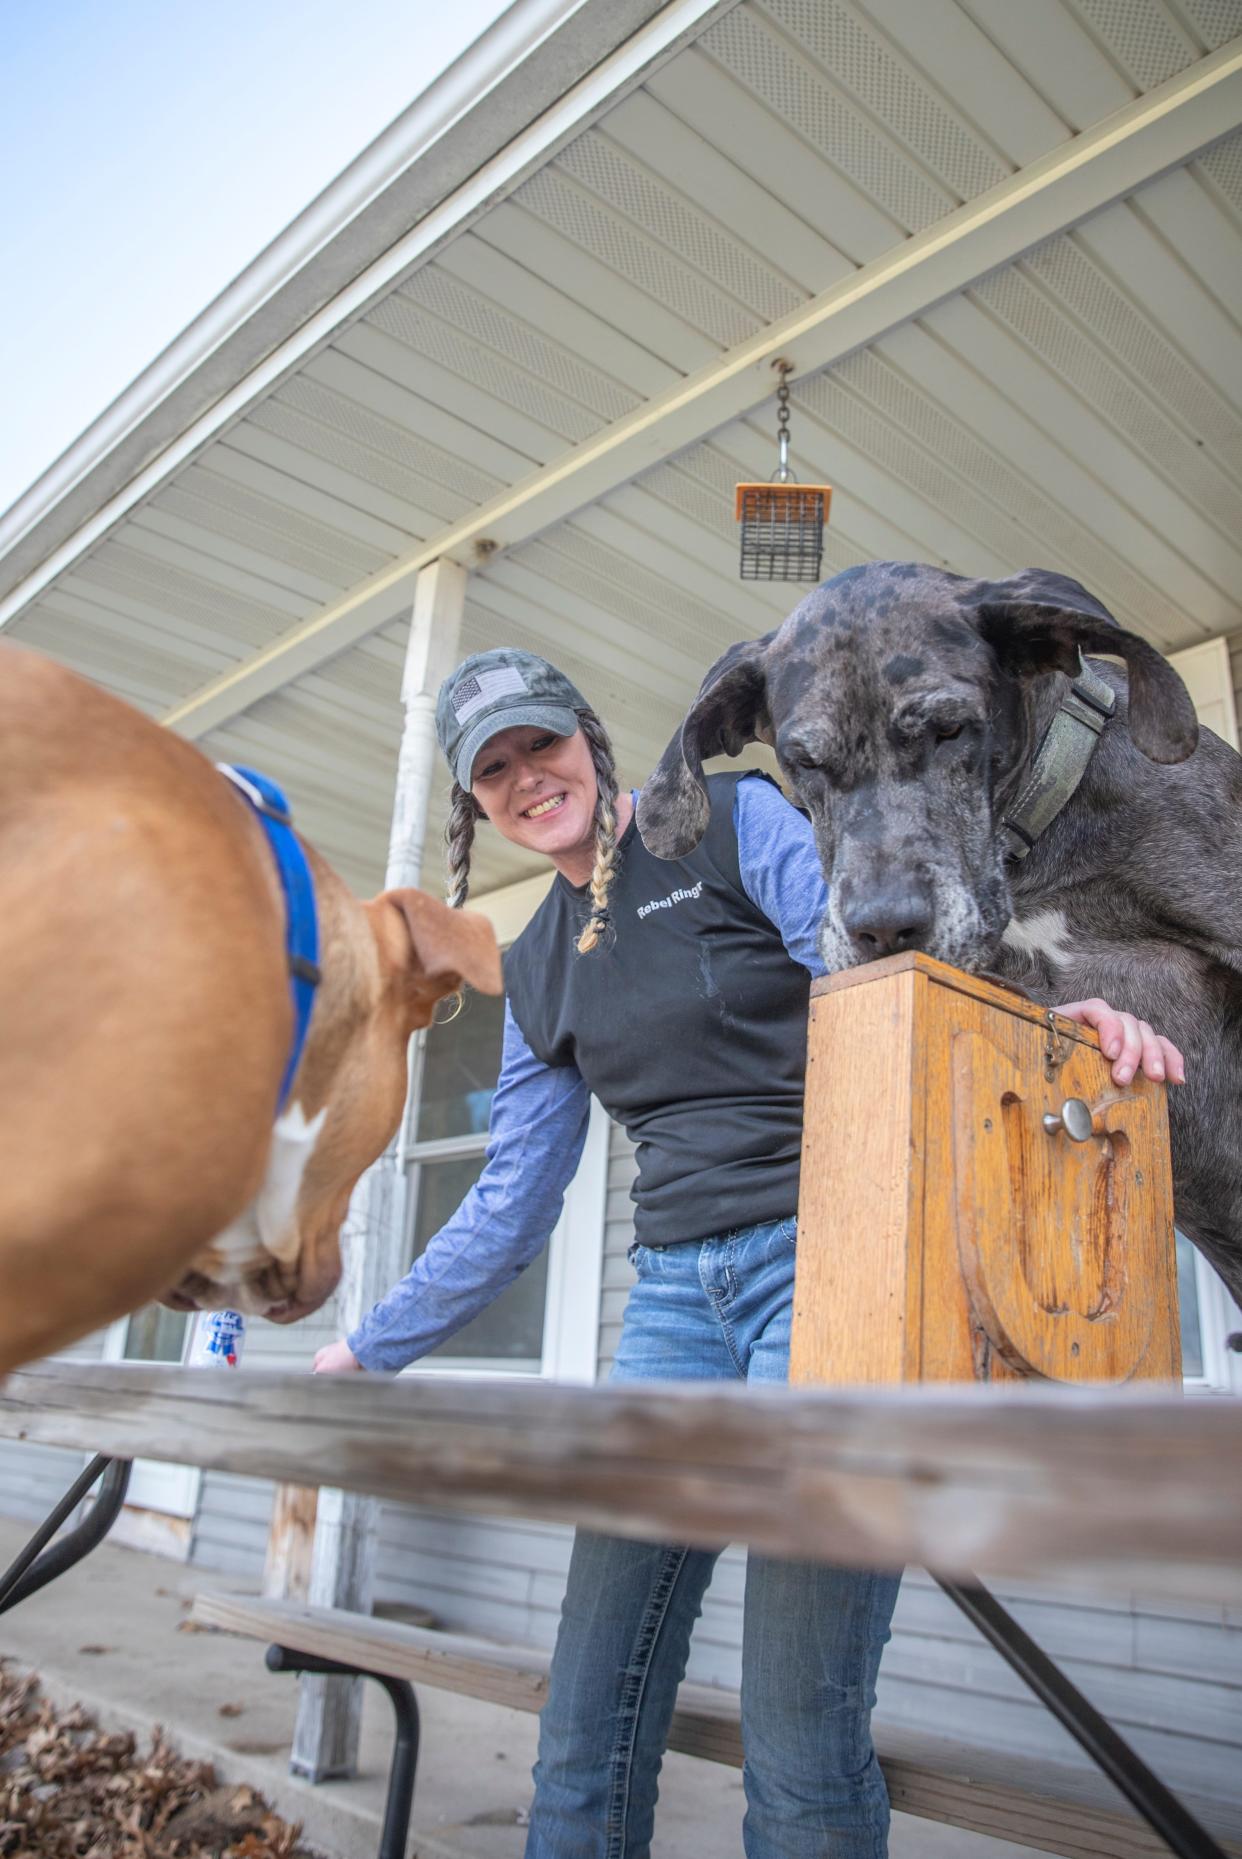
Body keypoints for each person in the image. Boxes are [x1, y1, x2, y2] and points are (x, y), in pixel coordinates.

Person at [315, 646, 1183, 1858]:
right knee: (587, 1711)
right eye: (495, 771)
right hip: (671, 1303)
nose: (528, 780)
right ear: (476, 802)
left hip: (829, 1272)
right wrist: (365, 1351)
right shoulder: (537, 967)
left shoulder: (728, 820)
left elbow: (877, 968)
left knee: (799, 1719)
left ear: (589, 737)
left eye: (541, 745)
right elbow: (512, 1197)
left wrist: (1050, 1022)